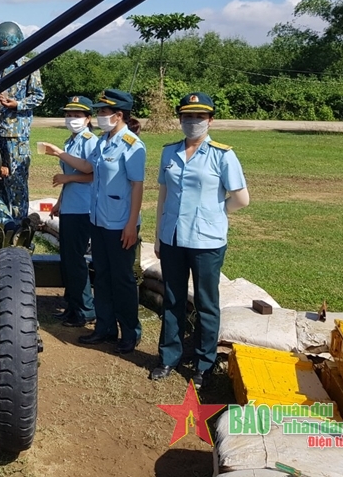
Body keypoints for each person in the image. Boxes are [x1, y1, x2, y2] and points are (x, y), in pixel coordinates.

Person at [149, 92, 249, 388]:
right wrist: (158, 234)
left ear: (210, 120)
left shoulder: (223, 154)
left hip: (207, 241)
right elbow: (163, 195)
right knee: (173, 299)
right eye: (187, 116)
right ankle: (169, 356)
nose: (193, 122)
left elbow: (241, 199)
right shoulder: (170, 152)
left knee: (206, 302)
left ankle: (204, 362)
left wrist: (216, 212)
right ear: (180, 119)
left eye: (200, 117)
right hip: (173, 238)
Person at [78, 89, 145, 354]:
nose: (99, 117)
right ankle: (104, 328)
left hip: (120, 223)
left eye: (103, 112)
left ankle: (130, 332)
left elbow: (137, 186)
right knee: (102, 277)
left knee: (123, 279)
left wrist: (131, 224)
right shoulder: (103, 141)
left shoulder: (132, 145)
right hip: (99, 219)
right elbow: (92, 171)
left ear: (118, 116)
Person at [0, 21, 44, 223]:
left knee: (16, 182)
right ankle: (0, 224)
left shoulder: (28, 66)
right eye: (2, 51)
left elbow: (38, 96)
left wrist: (16, 103)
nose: (5, 55)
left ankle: (19, 225)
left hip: (16, 134)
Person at [40, 96, 97, 328]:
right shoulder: (71, 141)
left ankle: (85, 309)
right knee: (68, 260)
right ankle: (73, 307)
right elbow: (69, 180)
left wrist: (60, 157)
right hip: (71, 206)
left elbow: (92, 172)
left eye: (77, 115)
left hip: (84, 208)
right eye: (69, 114)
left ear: (88, 118)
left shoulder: (90, 141)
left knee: (76, 261)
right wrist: (60, 202)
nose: (72, 119)